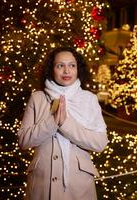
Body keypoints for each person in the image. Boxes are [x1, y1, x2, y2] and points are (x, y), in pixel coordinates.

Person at [17, 46, 108, 200]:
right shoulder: (37, 98)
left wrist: (65, 124)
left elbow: (100, 143)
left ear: (78, 69)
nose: (67, 71)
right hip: (42, 184)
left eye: (71, 65)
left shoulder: (89, 99)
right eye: (60, 65)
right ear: (51, 69)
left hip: (78, 186)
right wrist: (52, 123)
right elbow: (23, 141)